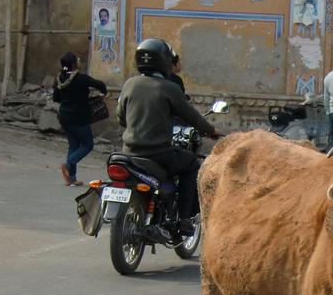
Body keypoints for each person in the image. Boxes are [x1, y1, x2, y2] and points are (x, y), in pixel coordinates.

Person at [116, 38, 220, 231]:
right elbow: (192, 117)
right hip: (158, 153)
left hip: (128, 152)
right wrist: (212, 130)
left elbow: (121, 119)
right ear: (164, 61)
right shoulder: (169, 88)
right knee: (192, 165)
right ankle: (184, 219)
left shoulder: (129, 84)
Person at [52, 51, 107, 187]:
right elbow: (100, 84)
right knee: (88, 144)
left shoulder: (59, 78)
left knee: (74, 145)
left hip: (64, 116)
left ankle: (72, 178)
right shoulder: (81, 78)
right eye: (78, 60)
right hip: (79, 117)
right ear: (74, 64)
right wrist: (102, 94)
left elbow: (56, 98)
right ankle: (69, 163)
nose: (80, 62)